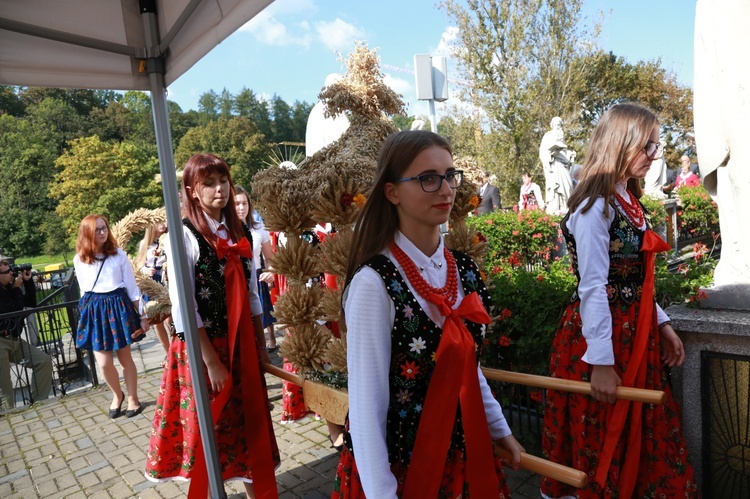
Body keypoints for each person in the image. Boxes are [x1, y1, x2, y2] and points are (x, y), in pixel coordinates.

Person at [333, 130, 524, 498]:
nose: (446, 189)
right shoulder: (374, 283)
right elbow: (366, 406)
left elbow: (468, 367)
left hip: (462, 457)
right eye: (428, 179)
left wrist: (500, 430)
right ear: (392, 192)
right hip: (399, 467)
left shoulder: (464, 269)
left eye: (450, 175)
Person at [541, 103, 698, 498]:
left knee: (641, 435)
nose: (654, 155)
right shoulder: (596, 205)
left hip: (636, 333)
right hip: (603, 340)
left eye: (656, 146)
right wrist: (602, 362)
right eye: (647, 146)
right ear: (620, 141)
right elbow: (593, 286)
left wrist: (661, 324)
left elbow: (638, 280)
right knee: (604, 438)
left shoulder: (628, 200)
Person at [144, 153, 279, 499]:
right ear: (192, 190)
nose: (219, 189)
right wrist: (212, 361)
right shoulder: (184, 236)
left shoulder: (241, 231)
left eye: (223, 181)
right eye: (209, 183)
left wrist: (261, 346)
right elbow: (185, 309)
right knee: (209, 431)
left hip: (243, 344)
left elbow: (252, 295)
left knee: (249, 425)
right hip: (205, 350)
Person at [74, 215, 148, 419]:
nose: (102, 232)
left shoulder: (119, 255)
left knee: (126, 358)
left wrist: (143, 315)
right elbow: (83, 291)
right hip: (95, 311)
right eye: (97, 229)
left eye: (104, 228)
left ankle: (133, 398)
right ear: (88, 233)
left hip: (118, 307)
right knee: (104, 363)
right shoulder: (79, 259)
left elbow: (132, 289)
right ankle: (118, 395)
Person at [0, 260, 52, 410]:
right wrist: (16, 288)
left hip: (15, 339)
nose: (11, 273)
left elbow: (30, 303)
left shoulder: (8, 288)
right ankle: (9, 419)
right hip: (1, 342)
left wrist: (27, 282)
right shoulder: (8, 290)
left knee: (43, 361)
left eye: (11, 270)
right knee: (4, 385)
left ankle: (39, 404)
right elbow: (13, 309)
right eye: (7, 272)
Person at [235, 185, 277, 351]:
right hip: (237, 282)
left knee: (263, 317)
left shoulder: (259, 228)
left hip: (257, 276)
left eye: (244, 203)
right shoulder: (224, 230)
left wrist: (271, 272)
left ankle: (267, 343)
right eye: (237, 203)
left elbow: (270, 259)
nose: (241, 207)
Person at [135, 222, 170, 352]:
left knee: (170, 318)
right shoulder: (144, 244)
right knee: (157, 319)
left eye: (164, 220)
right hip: (153, 283)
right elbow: (139, 264)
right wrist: (146, 270)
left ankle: (177, 349)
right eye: (158, 221)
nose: (163, 224)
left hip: (167, 280)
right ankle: (168, 351)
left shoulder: (169, 239)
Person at [539, 116, 575, 214]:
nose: (558, 126)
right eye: (556, 124)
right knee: (556, 187)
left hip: (563, 165)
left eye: (559, 124)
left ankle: (566, 206)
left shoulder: (561, 136)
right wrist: (551, 154)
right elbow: (543, 151)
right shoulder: (548, 135)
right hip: (554, 165)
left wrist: (570, 155)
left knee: (568, 186)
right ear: (552, 125)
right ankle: (557, 207)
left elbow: (564, 152)